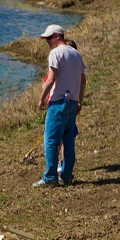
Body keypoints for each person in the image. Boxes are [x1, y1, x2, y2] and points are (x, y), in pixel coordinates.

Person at [34, 24, 85, 187]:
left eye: (49, 38)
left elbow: (51, 79)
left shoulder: (55, 53)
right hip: (72, 102)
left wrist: (41, 98)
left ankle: (50, 177)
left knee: (51, 140)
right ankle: (67, 175)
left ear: (57, 36)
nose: (47, 41)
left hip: (58, 102)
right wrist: (79, 100)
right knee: (68, 140)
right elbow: (83, 80)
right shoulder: (76, 54)